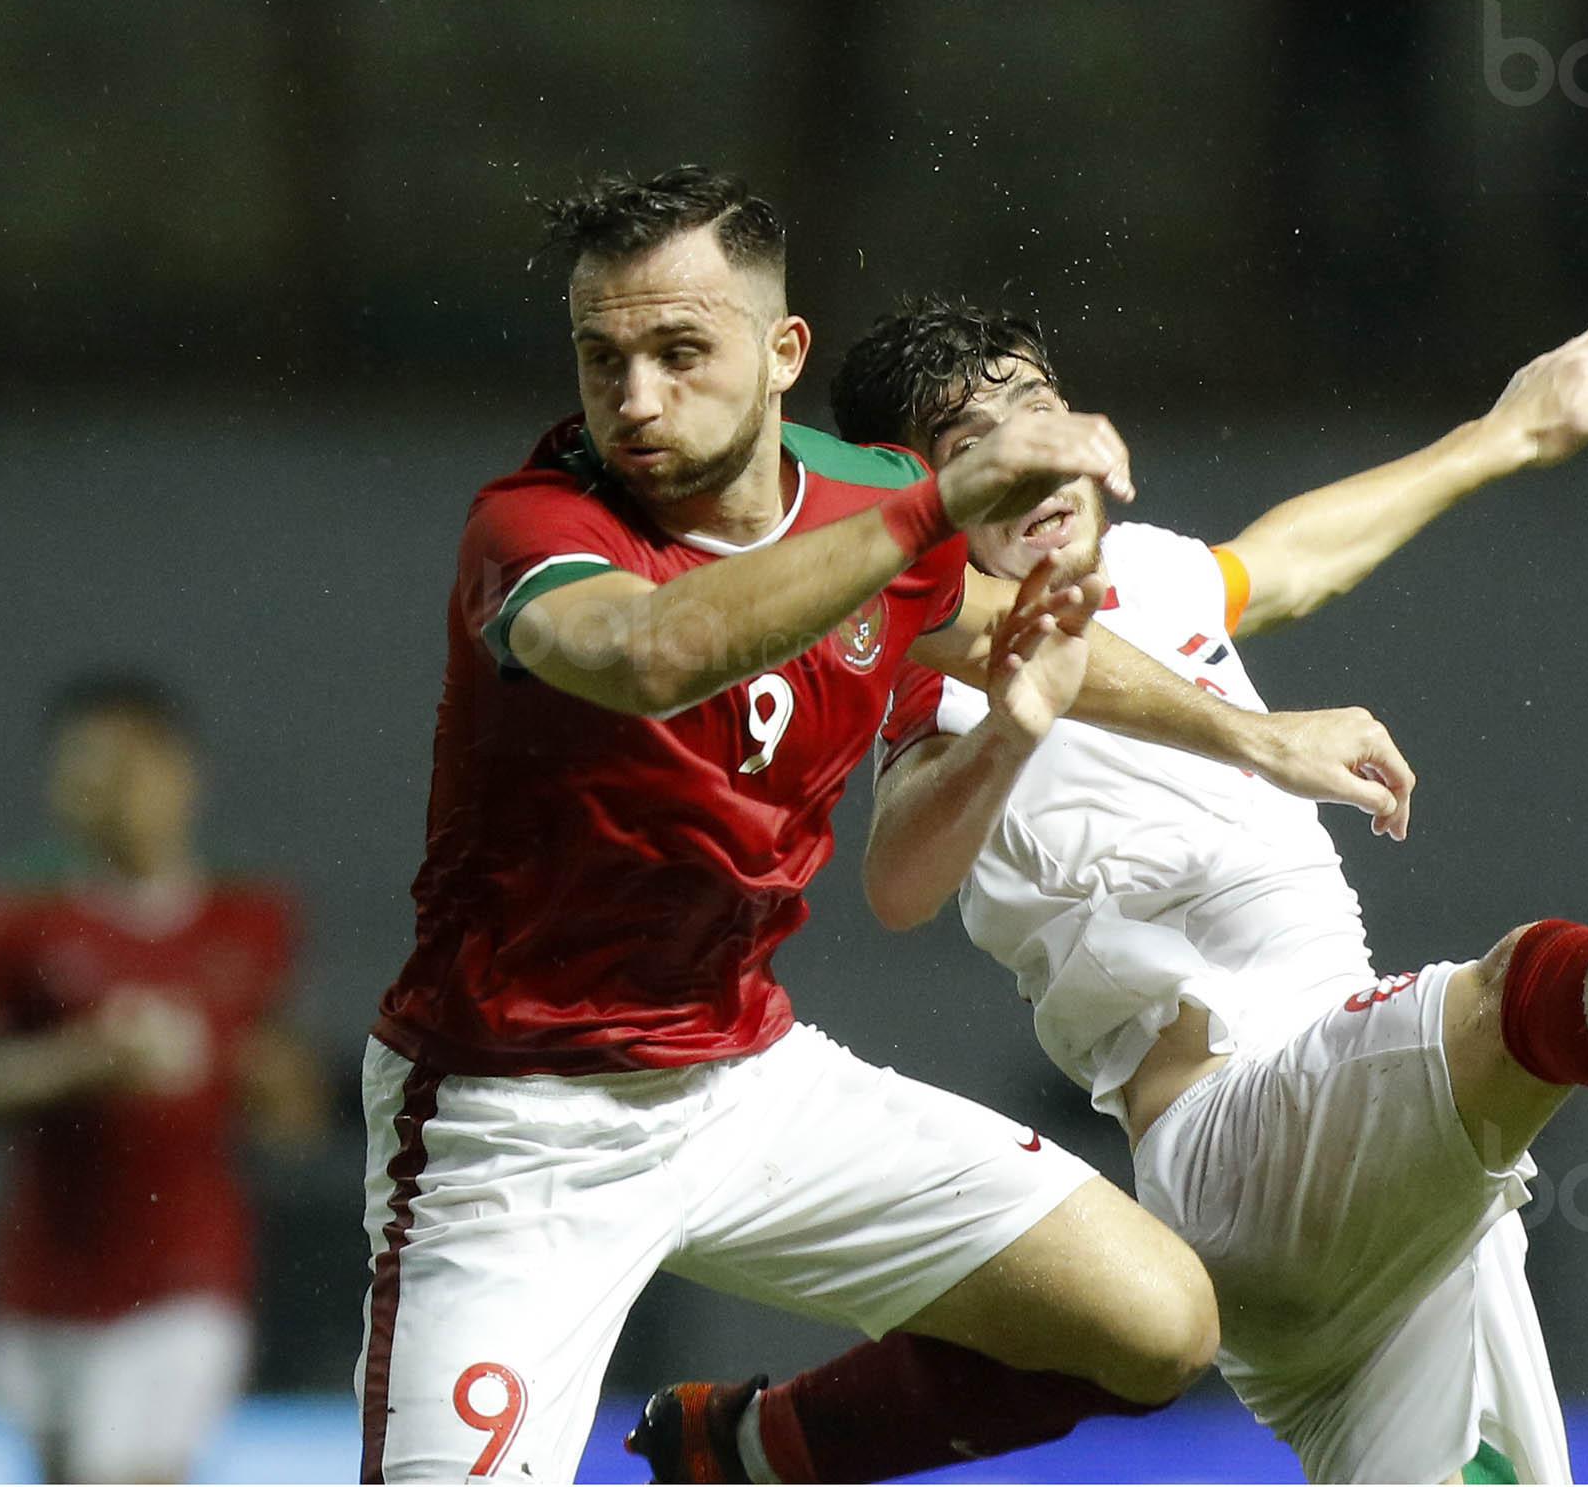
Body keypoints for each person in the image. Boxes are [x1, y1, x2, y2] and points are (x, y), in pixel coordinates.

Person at [637, 297, 1588, 1484]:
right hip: (1238, 1136)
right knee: (1503, 993)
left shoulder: (1155, 571)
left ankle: (764, 1448)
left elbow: (1290, 555)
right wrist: (1026, 716)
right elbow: (895, 877)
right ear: (923, 493)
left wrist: (1503, 432)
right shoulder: (944, 663)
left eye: (1042, 413)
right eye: (973, 446)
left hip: (1368, 1234)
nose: (1033, 463)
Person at [358, 166, 1428, 1484]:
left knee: (1158, 1322)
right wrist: (932, 506)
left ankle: (755, 1450)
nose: (635, 397)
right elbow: (654, 653)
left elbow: (1002, 635)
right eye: (603, 357)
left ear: (781, 351)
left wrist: (1255, 735)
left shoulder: (867, 505)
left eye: (680, 351)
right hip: (514, 1119)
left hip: (743, 1076)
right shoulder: (536, 528)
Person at [0, 672, 324, 1484]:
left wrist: (269, 1087)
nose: (91, 791)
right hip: (40, 1283)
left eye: (116, 767)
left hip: (186, 1278)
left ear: (179, 772)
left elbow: (291, 1105)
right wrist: (76, 1066)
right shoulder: (9, 919)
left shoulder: (251, 918)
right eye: (75, 770)